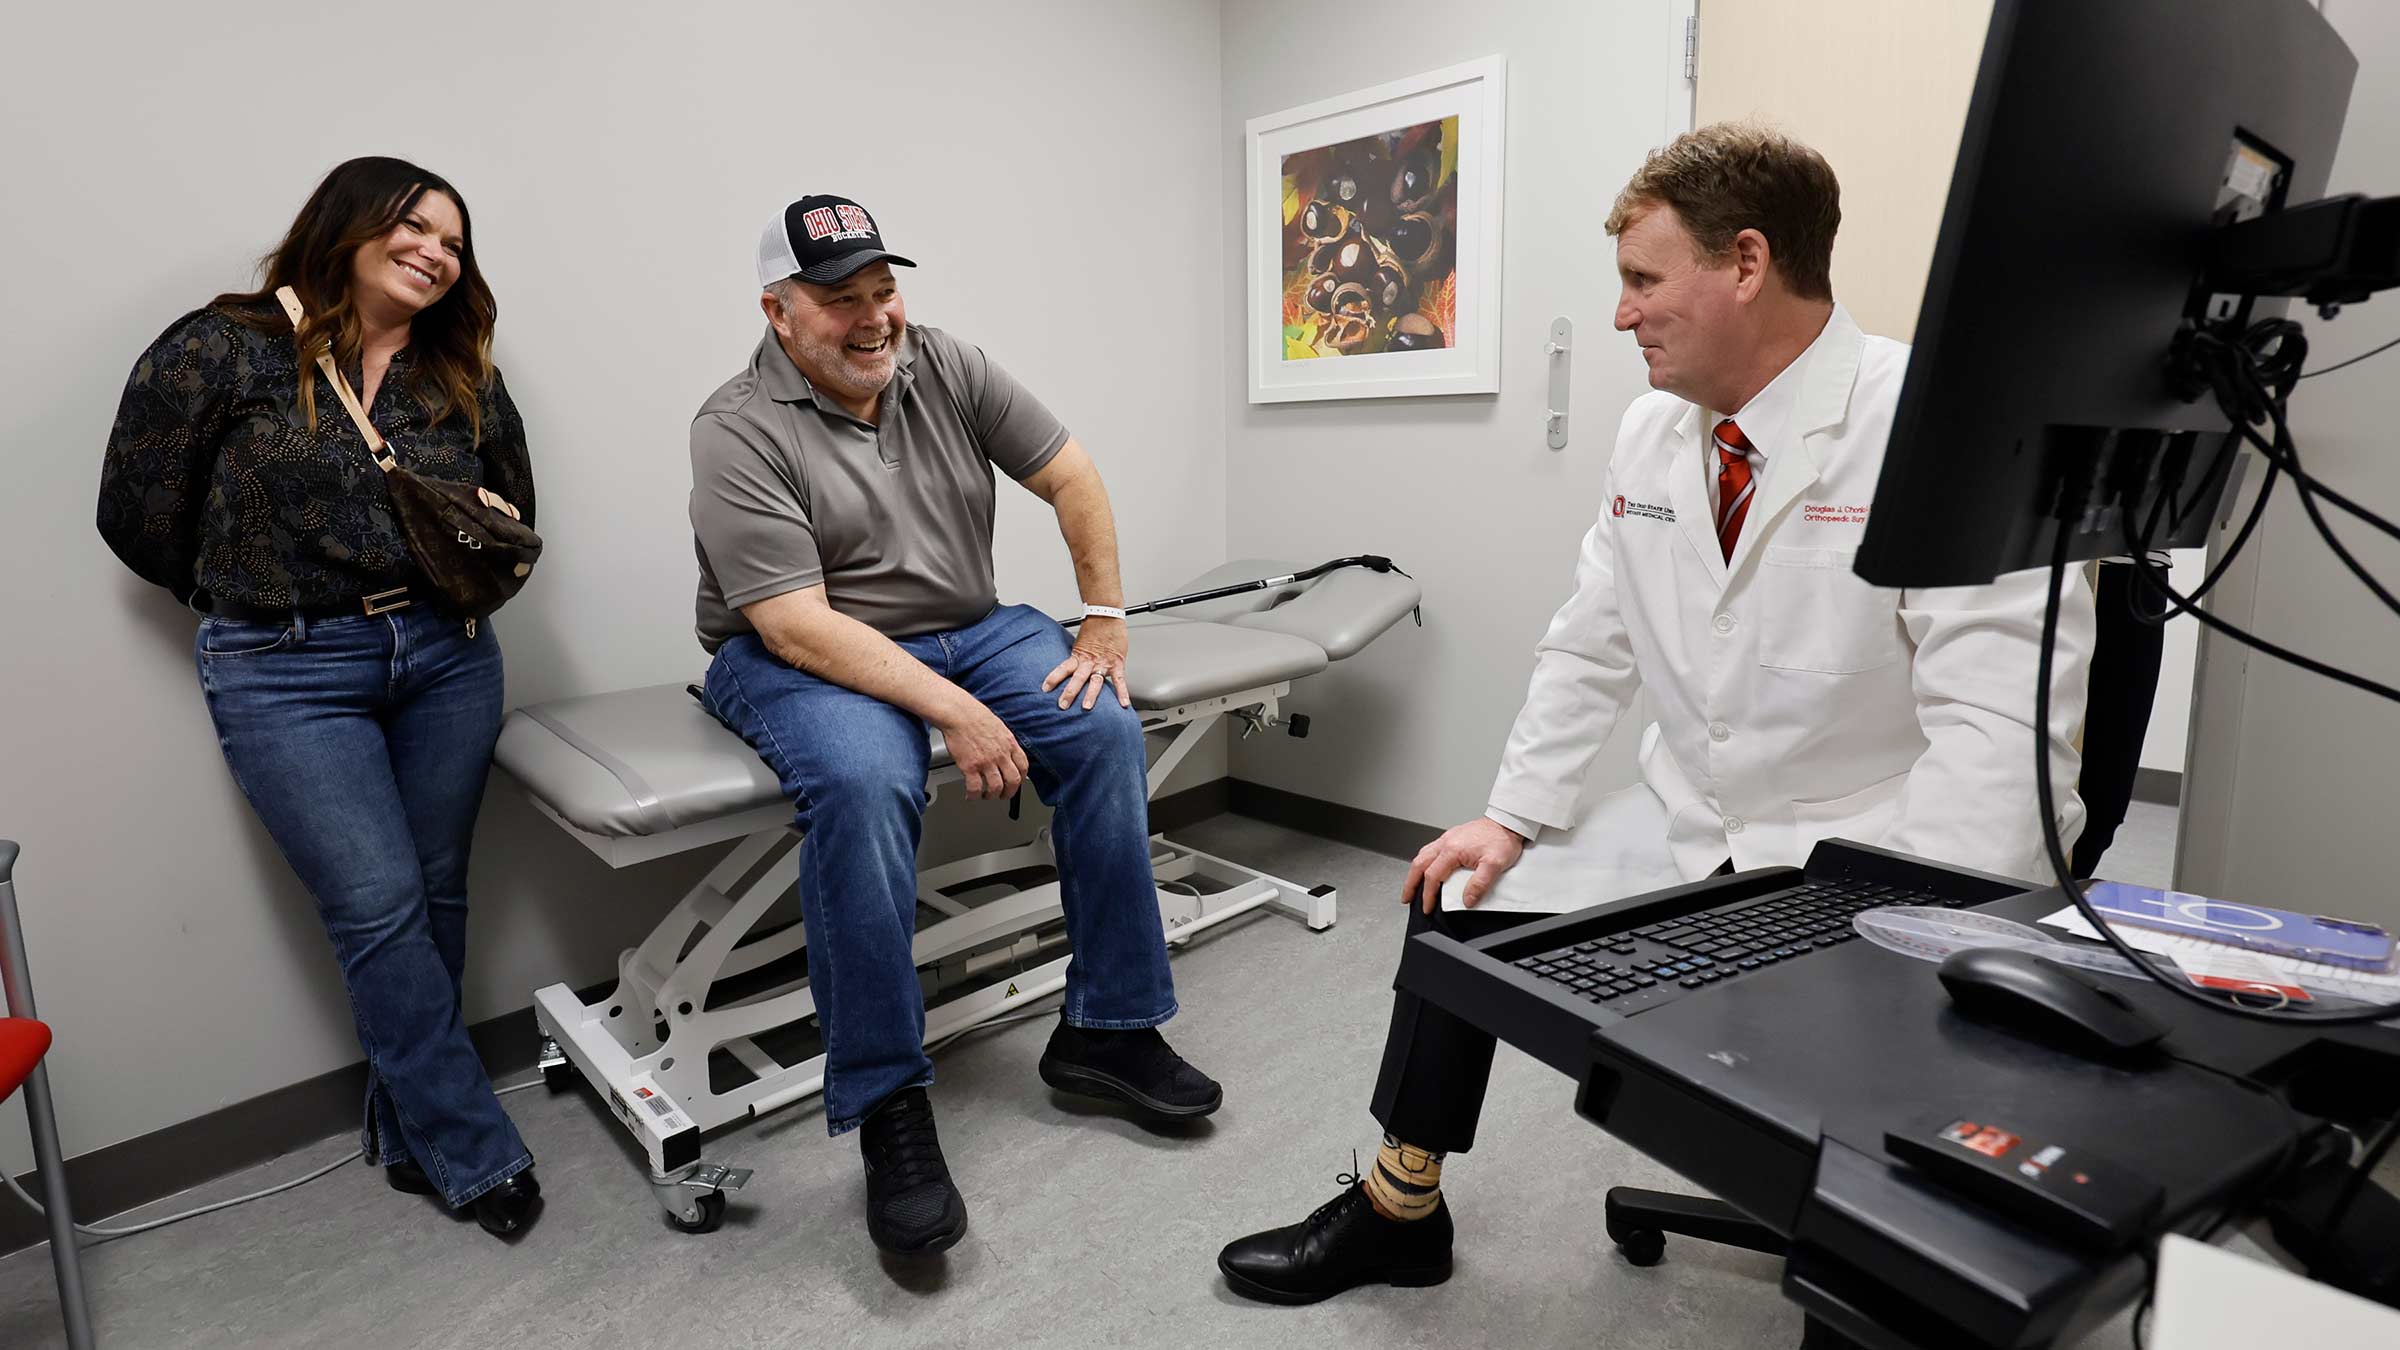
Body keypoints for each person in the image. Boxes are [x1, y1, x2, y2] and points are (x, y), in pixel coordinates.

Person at [1216, 124, 2096, 1304]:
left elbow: (2004, 751)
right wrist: (1511, 818)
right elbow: (1595, 638)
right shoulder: (1651, 432)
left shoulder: (1938, 424)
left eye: (1642, 279)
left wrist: (1896, 951)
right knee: (1456, 892)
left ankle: (1886, 1242)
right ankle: (1399, 1205)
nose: (1621, 315)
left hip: (1867, 850)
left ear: (1745, 263)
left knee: (1895, 1219)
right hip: (1694, 820)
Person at [688, 194, 1221, 1258]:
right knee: (861, 783)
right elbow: (792, 624)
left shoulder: (947, 365)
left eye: (884, 290)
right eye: (841, 301)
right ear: (779, 312)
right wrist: (958, 711)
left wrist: (1105, 623)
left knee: (1101, 726)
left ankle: (1108, 1031)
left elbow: (1068, 473)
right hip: (805, 652)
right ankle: (888, 1106)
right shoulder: (736, 425)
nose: (875, 318)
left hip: (967, 628)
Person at [96, 156, 541, 1238]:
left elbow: (513, 507)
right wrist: (251, 596)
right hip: (286, 667)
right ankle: (473, 1150)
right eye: (417, 228)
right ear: (348, 225)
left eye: (454, 241)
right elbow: (135, 512)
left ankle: (408, 1128)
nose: (438, 252)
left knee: (434, 896)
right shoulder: (222, 345)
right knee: (378, 907)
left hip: (446, 655)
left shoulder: (457, 369)